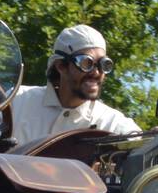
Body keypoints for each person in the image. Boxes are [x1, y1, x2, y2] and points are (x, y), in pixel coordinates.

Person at [7, 24, 140, 147]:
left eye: (103, 64)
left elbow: (142, 145)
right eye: (86, 63)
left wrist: (157, 139)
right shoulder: (16, 101)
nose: (96, 72)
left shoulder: (111, 123)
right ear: (61, 66)